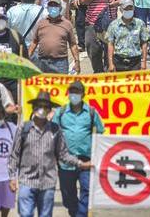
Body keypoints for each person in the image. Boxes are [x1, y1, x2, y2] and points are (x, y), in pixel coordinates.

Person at [8, 92, 90, 217]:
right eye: (39, 106)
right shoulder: (23, 128)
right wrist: (12, 177)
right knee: (25, 214)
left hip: (47, 184)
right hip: (27, 182)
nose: (42, 109)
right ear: (34, 108)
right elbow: (15, 155)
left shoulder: (55, 130)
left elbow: (63, 154)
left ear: (49, 110)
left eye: (46, 107)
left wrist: (80, 163)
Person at [52, 82, 104, 217]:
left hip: (86, 160)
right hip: (66, 161)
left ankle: (80, 215)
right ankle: (75, 212)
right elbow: (52, 134)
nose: (74, 95)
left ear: (83, 94)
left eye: (77, 92)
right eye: (72, 92)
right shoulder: (60, 112)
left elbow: (100, 132)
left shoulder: (92, 112)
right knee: (68, 196)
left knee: (87, 190)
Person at [80, 0, 121, 73]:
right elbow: (83, 0)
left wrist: (115, 3)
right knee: (94, 51)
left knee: (110, 53)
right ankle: (98, 73)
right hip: (93, 23)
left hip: (110, 24)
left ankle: (108, 74)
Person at [28, 0, 80, 75]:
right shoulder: (41, 23)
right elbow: (34, 42)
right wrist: (28, 57)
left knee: (61, 86)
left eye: (55, 6)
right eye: (51, 6)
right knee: (44, 86)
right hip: (43, 62)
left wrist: (77, 62)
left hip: (60, 63)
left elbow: (73, 44)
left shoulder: (67, 24)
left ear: (60, 8)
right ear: (47, 8)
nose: (53, 8)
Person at [107, 0, 147, 72]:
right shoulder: (113, 25)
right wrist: (110, 63)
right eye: (126, 9)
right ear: (121, 10)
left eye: (130, 8)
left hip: (135, 62)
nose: (129, 10)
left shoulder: (140, 24)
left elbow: (144, 43)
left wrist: (144, 62)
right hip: (119, 61)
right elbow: (110, 44)